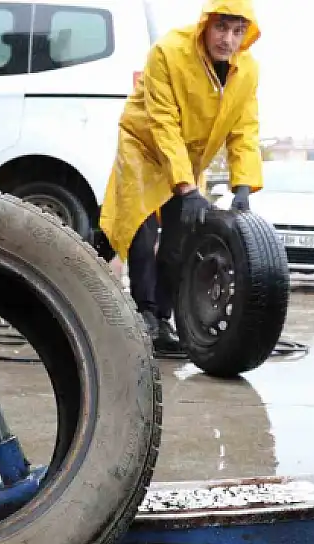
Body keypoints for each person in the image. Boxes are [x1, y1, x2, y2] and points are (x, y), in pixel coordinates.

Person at [97, 0, 263, 354]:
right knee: (142, 234)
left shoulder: (247, 71)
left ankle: (164, 319)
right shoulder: (169, 53)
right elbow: (162, 122)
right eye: (221, 28)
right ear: (206, 24)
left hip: (187, 159)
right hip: (144, 146)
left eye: (237, 32)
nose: (228, 40)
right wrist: (185, 188)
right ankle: (144, 313)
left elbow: (244, 129)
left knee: (179, 241)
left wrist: (243, 185)